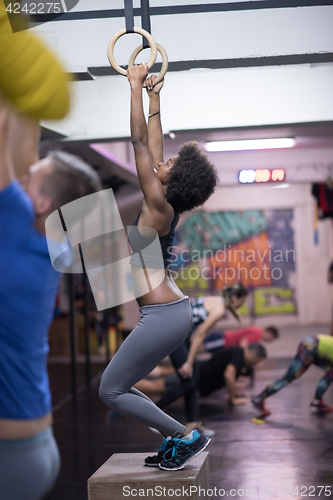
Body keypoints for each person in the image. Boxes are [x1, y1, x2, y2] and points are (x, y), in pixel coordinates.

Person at [98, 66, 218, 472]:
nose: (161, 162)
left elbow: (138, 144)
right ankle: (174, 440)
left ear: (171, 182)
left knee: (110, 390)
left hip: (164, 316)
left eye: (168, 165)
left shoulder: (158, 206)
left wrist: (133, 85)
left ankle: (186, 435)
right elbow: (151, 145)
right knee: (122, 385)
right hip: (169, 312)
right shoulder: (166, 207)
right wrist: (155, 98)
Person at [0, 100, 102, 500]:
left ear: (42, 204)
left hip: (10, 456)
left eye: (29, 181)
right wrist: (25, 92)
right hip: (30, 445)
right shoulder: (47, 245)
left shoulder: (15, 228)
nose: (19, 181)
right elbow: (24, 148)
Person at [154, 284, 249, 435]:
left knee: (193, 381)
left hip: (181, 337)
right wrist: (189, 362)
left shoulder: (215, 300)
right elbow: (200, 334)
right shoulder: (219, 309)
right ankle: (153, 416)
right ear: (234, 297)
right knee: (189, 382)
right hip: (175, 336)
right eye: (241, 302)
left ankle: (192, 424)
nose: (241, 306)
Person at [135, 344, 268, 416]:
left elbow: (226, 376)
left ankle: (121, 386)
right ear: (254, 353)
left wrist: (235, 393)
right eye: (259, 360)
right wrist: (233, 399)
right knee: (154, 388)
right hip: (191, 376)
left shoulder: (239, 357)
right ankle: (119, 385)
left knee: (157, 389)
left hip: (196, 378)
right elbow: (228, 375)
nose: (258, 364)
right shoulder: (239, 355)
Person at [251, 334, 333, 416]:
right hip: (311, 346)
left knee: (330, 373)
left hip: (313, 344)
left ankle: (317, 402)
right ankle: (259, 399)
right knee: (289, 377)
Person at [203, 325, 279, 354]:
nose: (270, 341)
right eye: (271, 339)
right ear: (270, 333)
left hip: (224, 342)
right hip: (223, 340)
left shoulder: (258, 333)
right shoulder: (258, 334)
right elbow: (243, 343)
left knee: (202, 349)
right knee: (201, 348)